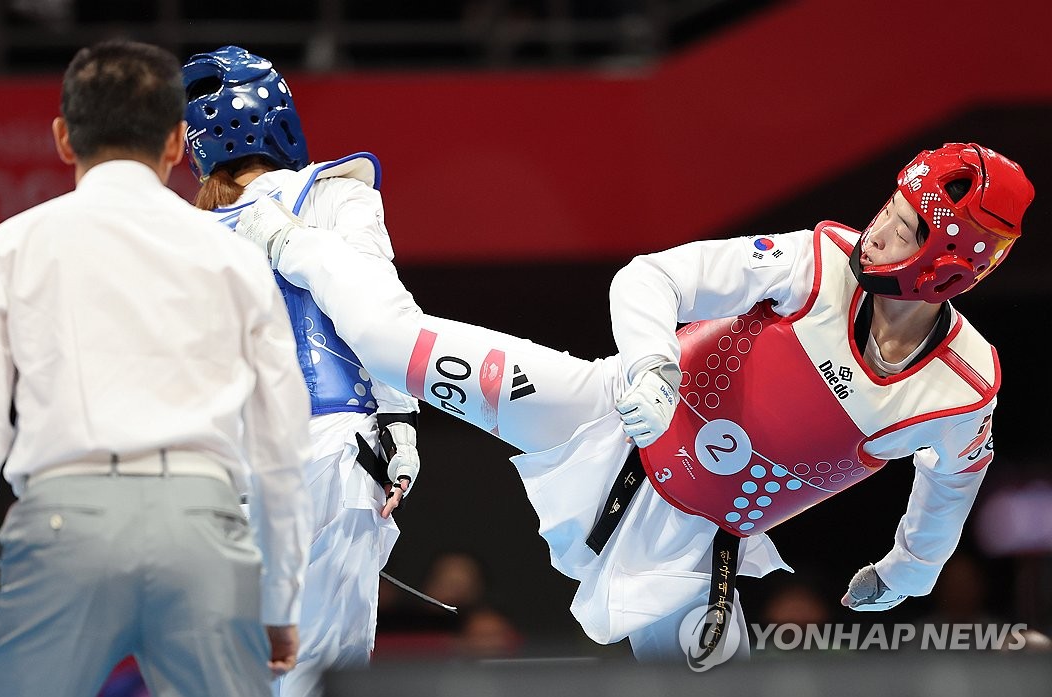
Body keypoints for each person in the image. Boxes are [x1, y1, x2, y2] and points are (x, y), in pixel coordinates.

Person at [234, 142, 1034, 663]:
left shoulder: (962, 388)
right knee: (389, 346)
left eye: (902, 231)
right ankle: (278, 232)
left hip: (686, 557)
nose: (874, 234)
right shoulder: (815, 260)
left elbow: (950, 487)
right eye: (887, 209)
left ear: (948, 265)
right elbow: (651, 276)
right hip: (599, 411)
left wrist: (911, 568)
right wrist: (652, 368)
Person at [0, 39, 312, 697]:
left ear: (63, 137)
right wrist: (283, 595)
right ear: (177, 142)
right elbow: (281, 441)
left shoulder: (7, 247)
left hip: (64, 529)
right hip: (201, 528)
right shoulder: (231, 254)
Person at [181, 45, 421, 697]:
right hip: (331, 449)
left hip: (222, 466)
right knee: (324, 676)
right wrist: (400, 425)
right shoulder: (340, 193)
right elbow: (380, 310)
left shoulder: (180, 233)